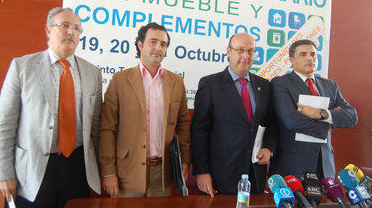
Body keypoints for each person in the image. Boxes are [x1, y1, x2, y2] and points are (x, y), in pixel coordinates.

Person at [0, 7, 102, 207]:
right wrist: (4, 172)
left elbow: (95, 127)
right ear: (49, 30)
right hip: (33, 169)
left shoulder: (92, 73)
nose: (72, 32)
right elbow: (4, 125)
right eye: (65, 26)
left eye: (77, 28)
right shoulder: (22, 67)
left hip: (77, 167)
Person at [98, 22, 191, 197]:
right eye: (153, 42)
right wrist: (108, 172)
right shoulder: (120, 80)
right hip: (126, 173)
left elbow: (184, 124)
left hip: (163, 174)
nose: (158, 48)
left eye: (163, 44)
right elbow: (107, 129)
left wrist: (185, 160)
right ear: (140, 44)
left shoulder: (176, 82)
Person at [191, 33, 277, 196]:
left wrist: (269, 148)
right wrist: (202, 172)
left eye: (251, 51)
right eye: (240, 50)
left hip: (255, 175)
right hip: (220, 176)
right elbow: (198, 132)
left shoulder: (264, 86)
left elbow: (271, 123)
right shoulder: (210, 84)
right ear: (228, 52)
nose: (246, 56)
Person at [269, 39, 358, 179]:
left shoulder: (330, 86)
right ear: (291, 60)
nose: (310, 58)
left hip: (324, 164)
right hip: (294, 164)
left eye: (313, 54)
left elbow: (352, 115)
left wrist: (322, 114)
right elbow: (291, 120)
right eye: (303, 54)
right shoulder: (281, 83)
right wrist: (327, 126)